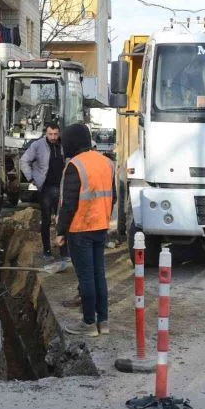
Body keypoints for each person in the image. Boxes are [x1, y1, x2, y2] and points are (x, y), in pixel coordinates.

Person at [56, 123, 116, 337]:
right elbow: (113, 197)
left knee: (86, 277)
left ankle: (89, 323)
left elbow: (68, 204)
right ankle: (104, 321)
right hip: (101, 227)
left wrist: (60, 231)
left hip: (80, 229)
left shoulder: (75, 165)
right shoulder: (106, 163)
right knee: (99, 274)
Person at [19, 122, 66, 259]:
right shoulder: (38, 145)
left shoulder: (63, 146)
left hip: (61, 187)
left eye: (55, 134)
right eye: (50, 134)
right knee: (46, 220)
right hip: (45, 188)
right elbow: (24, 161)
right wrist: (31, 179)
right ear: (46, 133)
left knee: (62, 219)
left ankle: (64, 252)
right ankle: (47, 251)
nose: (53, 137)